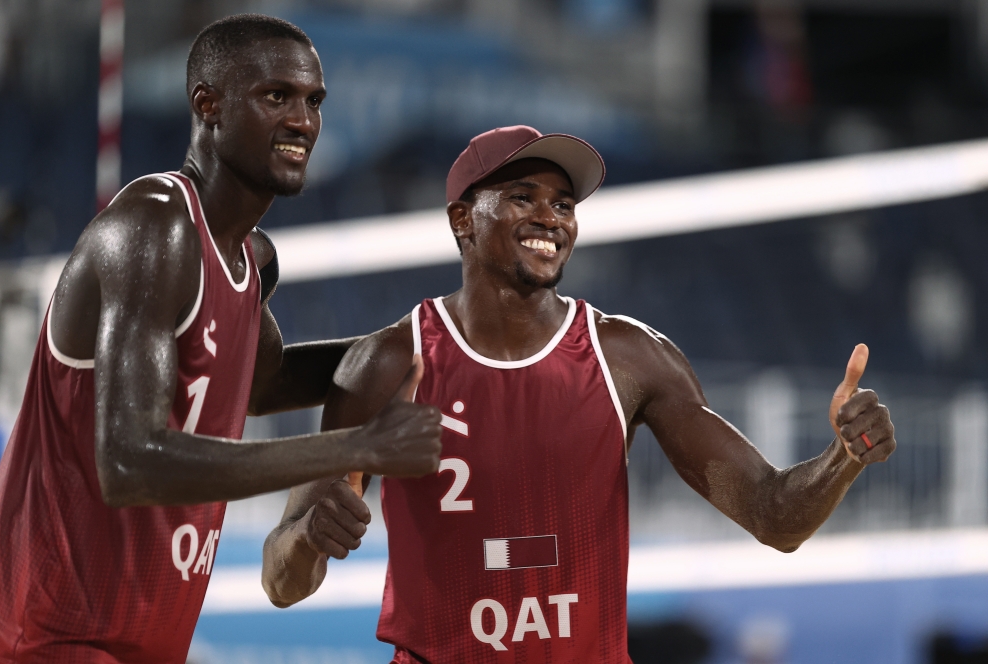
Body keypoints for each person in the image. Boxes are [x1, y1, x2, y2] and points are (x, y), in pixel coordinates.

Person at [261, 125, 896, 662]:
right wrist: (312, 537)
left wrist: (845, 456)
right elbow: (281, 580)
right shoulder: (387, 366)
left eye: (564, 205)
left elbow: (774, 517)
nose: (549, 216)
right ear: (462, 220)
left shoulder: (630, 359)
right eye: (522, 196)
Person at [0, 14, 442, 664]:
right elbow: (129, 461)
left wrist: (408, 351)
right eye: (276, 96)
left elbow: (256, 386)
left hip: (143, 638)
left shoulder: (247, 260)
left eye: (313, 101)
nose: (303, 120)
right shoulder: (153, 230)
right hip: (53, 638)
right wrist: (358, 446)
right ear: (209, 105)